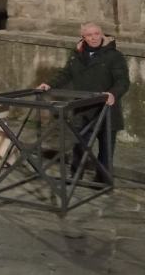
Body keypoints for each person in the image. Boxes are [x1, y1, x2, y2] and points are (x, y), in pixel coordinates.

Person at [38, 21, 130, 181]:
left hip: (106, 109)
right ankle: (75, 176)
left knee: (106, 148)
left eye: (96, 34)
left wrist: (112, 94)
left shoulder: (114, 56)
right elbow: (65, 73)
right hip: (84, 108)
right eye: (89, 35)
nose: (94, 38)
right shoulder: (76, 55)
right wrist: (49, 84)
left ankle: (103, 181)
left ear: (102, 35)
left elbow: (122, 81)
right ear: (83, 37)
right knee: (80, 145)